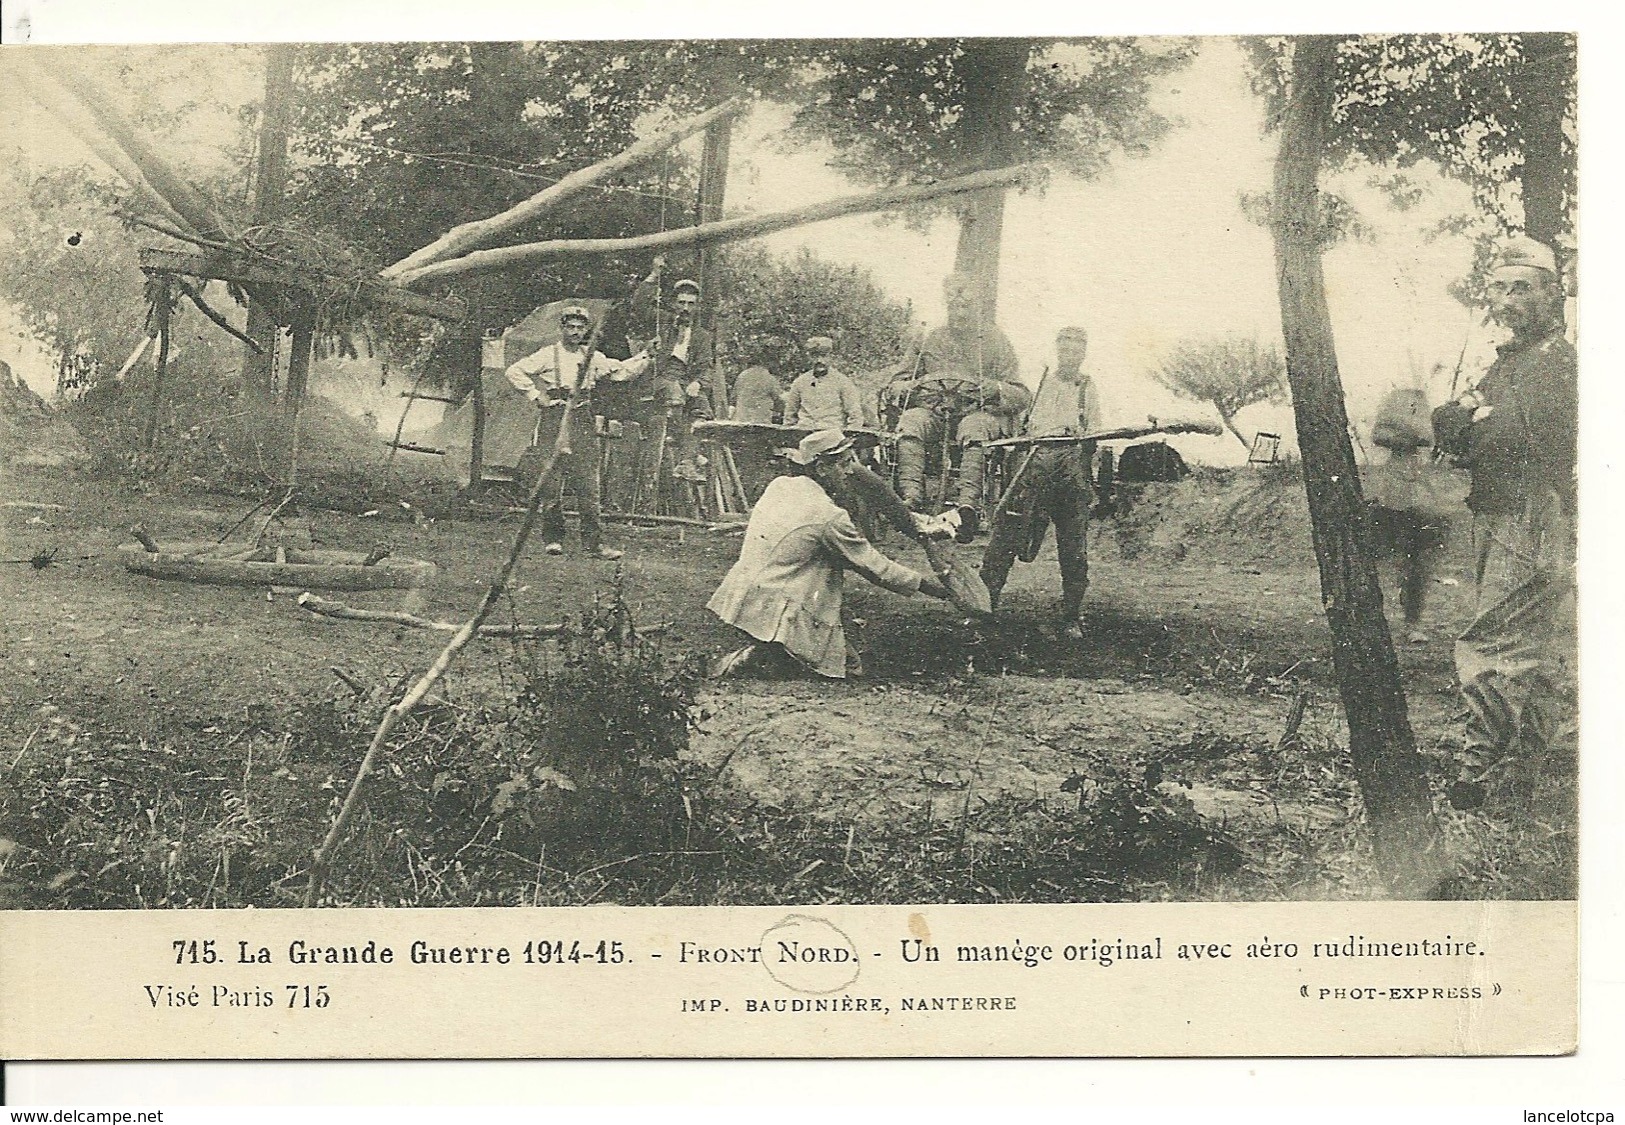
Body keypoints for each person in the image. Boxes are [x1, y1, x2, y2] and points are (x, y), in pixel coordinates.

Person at [1431, 237, 1577, 809]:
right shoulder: (1506, 362)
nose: (1509, 299)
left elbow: (1503, 437)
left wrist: (1470, 423)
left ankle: (1478, 769)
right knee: (1534, 645)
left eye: (1523, 288)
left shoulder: (1556, 366)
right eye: (1500, 287)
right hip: (1498, 509)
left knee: (1493, 639)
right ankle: (1515, 777)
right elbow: (1450, 432)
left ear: (1551, 294)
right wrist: (1463, 421)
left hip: (1533, 512)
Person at [707, 429, 951, 680]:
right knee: (847, 669)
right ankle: (758, 657)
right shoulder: (829, 517)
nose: (850, 472)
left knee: (838, 650)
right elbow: (875, 567)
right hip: (777, 610)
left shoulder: (779, 486)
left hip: (743, 600)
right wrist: (935, 588)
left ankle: (769, 651)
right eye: (844, 464)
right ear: (822, 468)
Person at [980, 326, 1103, 637]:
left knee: (1073, 546)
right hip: (1033, 464)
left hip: (1069, 467)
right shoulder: (1040, 383)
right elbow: (1017, 423)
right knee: (1006, 537)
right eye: (1065, 349)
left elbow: (1095, 437)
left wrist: (1085, 465)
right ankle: (982, 606)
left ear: (1084, 354)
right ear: (1057, 350)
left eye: (1076, 351)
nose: (1070, 356)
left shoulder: (1087, 388)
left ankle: (1071, 617)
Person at [505, 305, 649, 560]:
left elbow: (621, 372)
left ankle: (593, 543)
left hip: (582, 416)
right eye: (570, 327)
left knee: (588, 482)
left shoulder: (592, 355)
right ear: (562, 328)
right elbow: (514, 371)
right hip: (555, 416)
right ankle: (553, 538)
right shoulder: (548, 354)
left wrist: (647, 356)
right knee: (551, 481)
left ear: (586, 330)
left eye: (580, 327)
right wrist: (536, 395)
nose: (575, 332)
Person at [887, 273, 1031, 528]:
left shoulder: (995, 340)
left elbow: (1021, 394)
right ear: (947, 306)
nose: (960, 313)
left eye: (966, 306)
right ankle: (910, 497)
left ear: (978, 307)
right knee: (911, 420)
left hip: (980, 415)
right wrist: (911, 387)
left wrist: (995, 389)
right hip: (936, 415)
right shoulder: (930, 339)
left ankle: (967, 505)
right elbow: (896, 383)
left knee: (973, 426)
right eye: (954, 306)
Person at [1366, 385, 1451, 644]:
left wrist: (1413, 432)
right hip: (1391, 495)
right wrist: (1408, 432)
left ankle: (1412, 623)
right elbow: (1380, 434)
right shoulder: (1391, 413)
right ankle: (1370, 621)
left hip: (1421, 495)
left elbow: (1431, 437)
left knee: (1418, 566)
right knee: (1378, 563)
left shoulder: (1425, 414)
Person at [782, 336, 866, 430]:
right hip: (804, 432)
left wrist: (847, 437)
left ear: (831, 357)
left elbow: (855, 416)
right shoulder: (800, 382)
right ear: (808, 356)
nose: (819, 360)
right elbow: (789, 415)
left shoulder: (843, 382)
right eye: (815, 356)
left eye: (824, 356)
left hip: (832, 434)